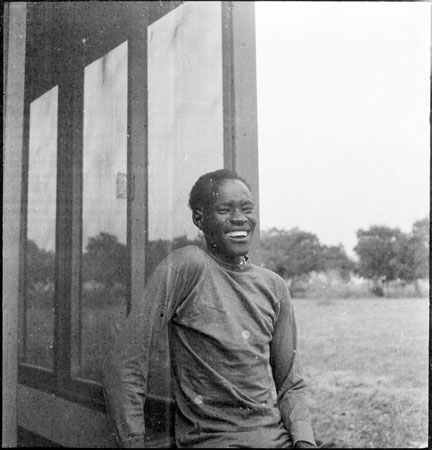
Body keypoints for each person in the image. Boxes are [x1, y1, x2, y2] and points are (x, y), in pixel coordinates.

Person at [103, 169, 316, 448]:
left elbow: (291, 383)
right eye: (225, 209)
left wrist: (304, 442)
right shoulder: (187, 266)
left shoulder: (274, 286)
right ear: (200, 219)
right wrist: (133, 442)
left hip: (277, 441)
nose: (239, 218)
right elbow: (124, 362)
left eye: (247, 208)